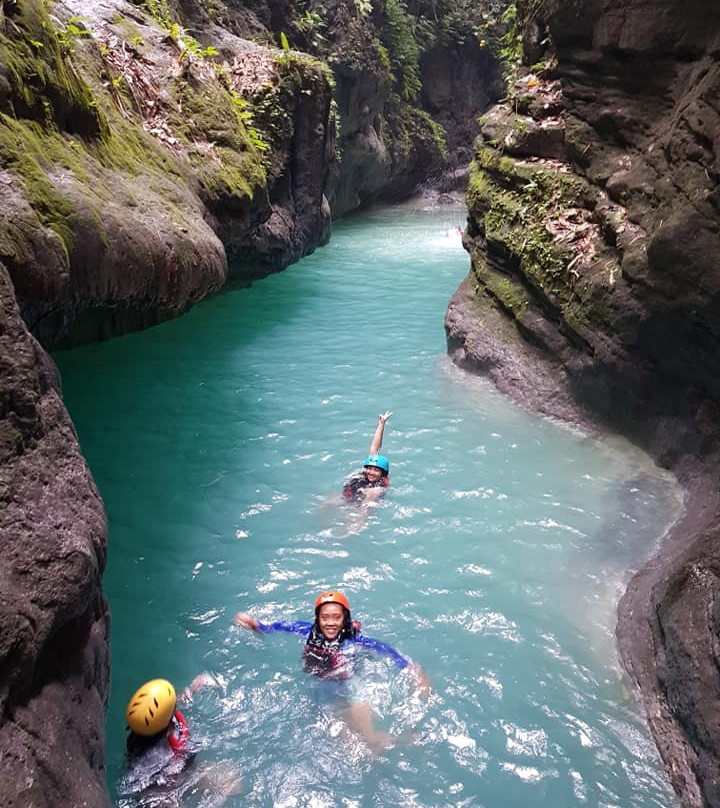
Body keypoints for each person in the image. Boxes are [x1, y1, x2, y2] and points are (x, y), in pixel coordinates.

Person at [233, 590, 430, 752]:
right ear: (317, 619)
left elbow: (387, 651)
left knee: (369, 737)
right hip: (323, 687)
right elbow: (276, 627)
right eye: (325, 617)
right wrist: (255, 625)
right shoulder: (305, 630)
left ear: (345, 619)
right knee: (349, 743)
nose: (330, 623)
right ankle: (399, 743)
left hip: (350, 685)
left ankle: (403, 740)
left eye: (336, 617)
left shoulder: (354, 641)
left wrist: (412, 669)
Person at [118, 675, 241, 807]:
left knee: (231, 780)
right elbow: (154, 783)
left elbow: (173, 703)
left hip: (183, 772)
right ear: (168, 726)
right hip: (157, 792)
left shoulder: (151, 726)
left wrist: (193, 688)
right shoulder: (155, 756)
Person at [342, 411, 393, 504]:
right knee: (329, 502)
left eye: (376, 470)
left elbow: (365, 509)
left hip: (359, 501)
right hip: (352, 493)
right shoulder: (364, 476)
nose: (371, 472)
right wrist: (382, 424)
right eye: (369, 468)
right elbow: (375, 447)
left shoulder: (376, 489)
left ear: (383, 473)